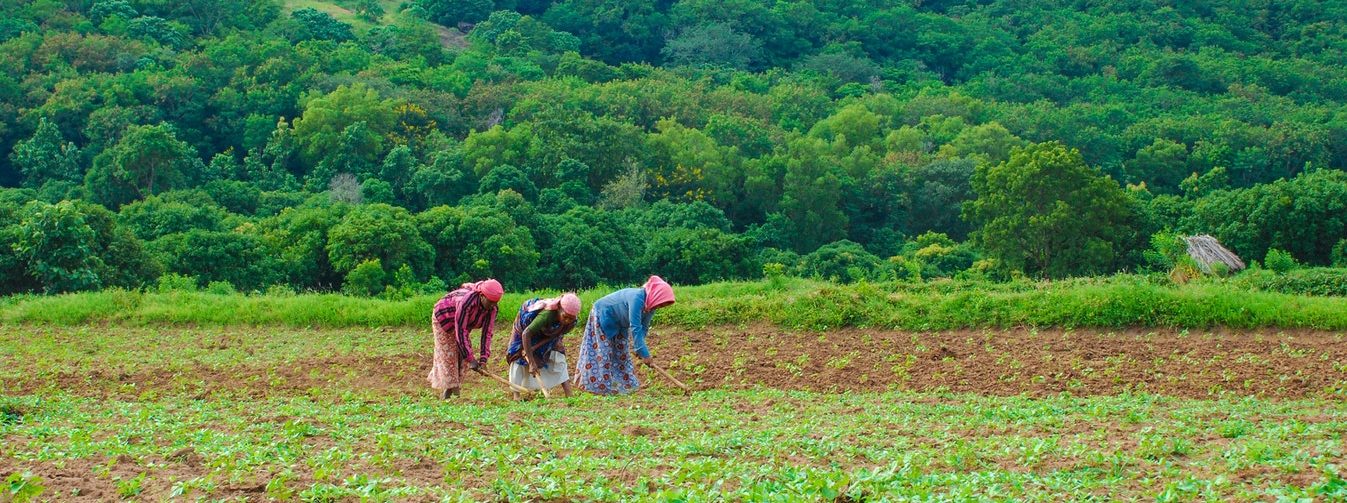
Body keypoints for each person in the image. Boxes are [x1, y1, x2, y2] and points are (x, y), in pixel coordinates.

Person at [574, 275, 676, 395]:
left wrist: (639, 350)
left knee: (621, 353)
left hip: (621, 323)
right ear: (656, 295)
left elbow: (643, 329)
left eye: (662, 305)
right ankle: (597, 387)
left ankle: (624, 386)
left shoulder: (650, 306)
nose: (659, 307)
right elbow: (635, 327)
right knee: (604, 352)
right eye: (661, 304)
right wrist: (644, 353)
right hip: (603, 314)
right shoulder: (637, 298)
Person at [427, 279, 503, 399]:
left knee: (462, 356)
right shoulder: (467, 302)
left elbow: (487, 334)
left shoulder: (492, 309)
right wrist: (471, 359)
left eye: (495, 303)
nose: (492, 305)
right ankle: (454, 394)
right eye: (490, 302)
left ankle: (450, 391)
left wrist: (483, 360)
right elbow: (461, 332)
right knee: (449, 355)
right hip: (444, 318)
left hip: (464, 324)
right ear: (482, 296)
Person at [505, 293, 582, 399]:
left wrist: (535, 347)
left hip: (549, 331)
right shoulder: (547, 314)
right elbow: (526, 334)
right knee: (517, 356)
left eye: (570, 318)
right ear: (559, 309)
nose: (567, 321)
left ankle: (568, 393)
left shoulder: (571, 322)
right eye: (565, 317)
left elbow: (555, 336)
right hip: (526, 328)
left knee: (558, 355)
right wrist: (531, 362)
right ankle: (516, 395)